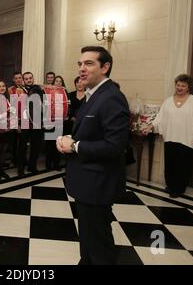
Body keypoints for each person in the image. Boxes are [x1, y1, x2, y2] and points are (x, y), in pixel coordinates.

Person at [57, 46, 130, 265]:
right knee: (88, 240)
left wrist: (75, 146)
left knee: (99, 246)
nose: (81, 68)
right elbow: (93, 131)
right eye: (80, 63)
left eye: (89, 63)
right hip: (87, 184)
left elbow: (115, 147)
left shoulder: (111, 97)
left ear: (105, 67)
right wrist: (72, 137)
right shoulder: (94, 95)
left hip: (98, 184)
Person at [143, 74, 193, 198]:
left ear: (188, 87)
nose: (180, 87)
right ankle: (171, 185)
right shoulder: (168, 101)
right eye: (178, 85)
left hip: (187, 139)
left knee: (183, 165)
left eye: (183, 85)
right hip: (171, 137)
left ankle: (178, 188)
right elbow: (160, 118)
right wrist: (150, 126)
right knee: (170, 164)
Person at [17, 72, 44, 176]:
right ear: (24, 80)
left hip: (37, 123)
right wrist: (18, 124)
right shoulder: (20, 91)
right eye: (26, 78)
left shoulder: (40, 90)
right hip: (24, 123)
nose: (29, 80)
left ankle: (32, 166)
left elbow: (45, 106)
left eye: (30, 78)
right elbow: (17, 108)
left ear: (33, 78)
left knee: (36, 146)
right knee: (22, 148)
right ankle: (20, 169)